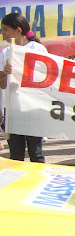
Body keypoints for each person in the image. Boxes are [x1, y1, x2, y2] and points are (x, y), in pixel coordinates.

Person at [0, 13, 48, 162]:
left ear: (18, 30)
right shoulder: (5, 53)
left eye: (6, 29)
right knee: (15, 156)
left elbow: (47, 79)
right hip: (12, 111)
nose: (3, 33)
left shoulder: (37, 49)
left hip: (33, 109)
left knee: (36, 154)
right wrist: (5, 74)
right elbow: (2, 84)